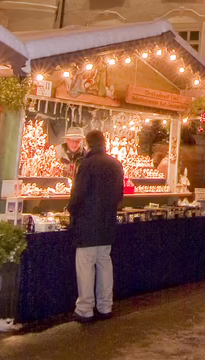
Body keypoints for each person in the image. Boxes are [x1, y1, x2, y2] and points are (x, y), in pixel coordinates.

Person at [67, 129, 124, 323]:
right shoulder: (116, 164)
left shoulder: (86, 164)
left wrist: (71, 209)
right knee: (104, 264)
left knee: (85, 267)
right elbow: (119, 196)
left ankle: (85, 309)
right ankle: (105, 306)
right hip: (107, 223)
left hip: (86, 225)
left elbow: (78, 194)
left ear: (88, 144)